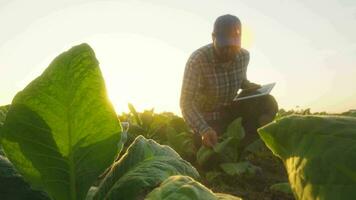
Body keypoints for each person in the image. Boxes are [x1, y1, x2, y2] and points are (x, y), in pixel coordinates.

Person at [180, 14, 278, 149]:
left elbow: (241, 80)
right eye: (224, 45)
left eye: (233, 46)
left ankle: (256, 139)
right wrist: (204, 129)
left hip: (231, 110)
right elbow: (186, 103)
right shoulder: (197, 61)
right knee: (212, 153)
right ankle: (236, 141)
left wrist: (250, 87)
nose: (228, 51)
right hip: (207, 117)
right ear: (213, 37)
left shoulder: (244, 56)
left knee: (268, 102)